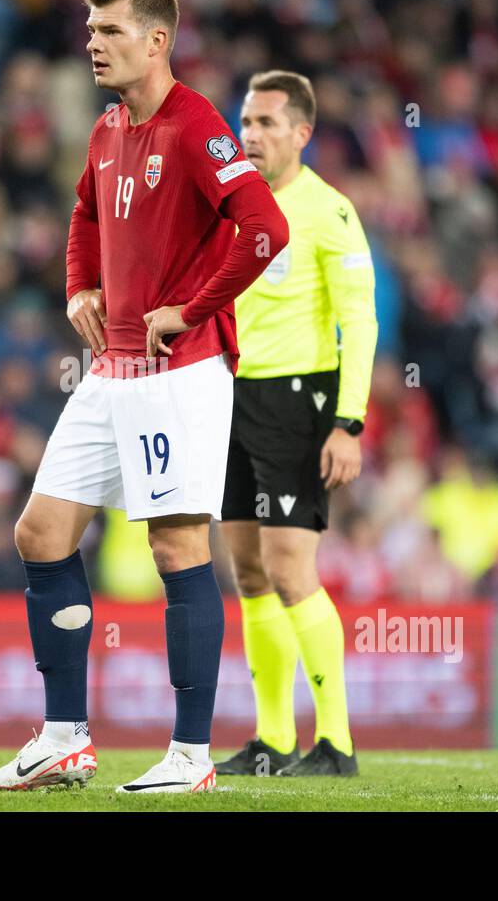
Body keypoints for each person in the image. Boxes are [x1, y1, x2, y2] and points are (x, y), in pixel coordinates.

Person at [0, 0, 288, 795]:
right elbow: (83, 214)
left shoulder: (196, 127)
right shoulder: (109, 128)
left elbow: (265, 227)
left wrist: (192, 308)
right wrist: (79, 286)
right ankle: (66, 737)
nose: (91, 42)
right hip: (111, 367)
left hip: (179, 371)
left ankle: (190, 756)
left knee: (176, 547)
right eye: (89, 28)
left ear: (156, 42)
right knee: (41, 533)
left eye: (109, 30)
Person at [216, 71, 378, 777]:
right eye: (246, 122)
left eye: (265, 124)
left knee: (290, 570)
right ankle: (274, 738)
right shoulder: (229, 206)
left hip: (296, 404)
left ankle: (336, 743)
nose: (249, 134)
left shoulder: (330, 213)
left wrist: (350, 421)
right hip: (228, 399)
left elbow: (360, 322)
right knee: (249, 573)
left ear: (301, 134)